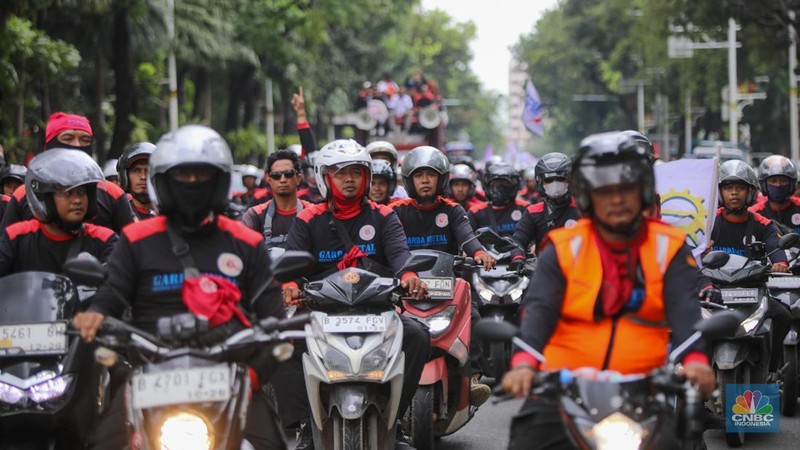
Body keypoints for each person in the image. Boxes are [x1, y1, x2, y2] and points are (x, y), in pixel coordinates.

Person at [72, 125, 288, 450]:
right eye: (182, 177)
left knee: (270, 444)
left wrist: (251, 378)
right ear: (164, 181)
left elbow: (275, 320)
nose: (192, 185)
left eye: (201, 176)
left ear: (218, 181)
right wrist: (96, 314)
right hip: (149, 374)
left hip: (228, 376)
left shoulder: (246, 242)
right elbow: (112, 292)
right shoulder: (136, 240)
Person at [502, 131, 715, 450]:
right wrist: (523, 364)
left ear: (643, 191)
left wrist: (696, 359)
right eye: (605, 191)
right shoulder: (561, 249)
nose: (616, 199)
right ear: (588, 195)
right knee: (524, 440)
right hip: (566, 386)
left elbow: (685, 311)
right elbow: (538, 311)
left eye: (626, 189)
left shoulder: (668, 246)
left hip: (645, 387)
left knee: (685, 439)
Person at [281, 139, 429, 450]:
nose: (349, 180)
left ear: (367, 178)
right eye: (340, 173)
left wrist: (411, 277)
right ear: (325, 178)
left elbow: (401, 257)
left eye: (357, 173)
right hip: (320, 309)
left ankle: (396, 420)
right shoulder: (308, 219)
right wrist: (288, 285)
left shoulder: (384, 216)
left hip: (377, 308)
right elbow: (290, 263)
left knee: (417, 334)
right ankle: (307, 424)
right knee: (283, 341)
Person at [390, 145, 495, 407]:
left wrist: (480, 253)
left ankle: (472, 377)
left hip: (446, 284)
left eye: (431, 174)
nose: (425, 180)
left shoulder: (452, 210)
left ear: (441, 179)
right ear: (409, 180)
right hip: (407, 287)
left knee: (474, 314)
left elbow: (468, 238)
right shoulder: (396, 212)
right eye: (419, 175)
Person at [709, 159, 791, 377]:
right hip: (716, 292)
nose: (734, 193)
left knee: (782, 314)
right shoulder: (709, 223)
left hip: (753, 293)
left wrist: (780, 262)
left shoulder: (763, 224)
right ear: (719, 192)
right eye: (728, 188)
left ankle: (773, 370)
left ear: (751, 192)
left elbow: (775, 248)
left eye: (740, 188)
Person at [1, 112, 135, 232]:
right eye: (68, 138)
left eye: (84, 140)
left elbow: (130, 247)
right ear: (50, 146)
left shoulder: (112, 194)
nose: (77, 145)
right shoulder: (25, 194)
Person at [0, 149, 117, 275]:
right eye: (68, 193)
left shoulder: (105, 239)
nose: (77, 200)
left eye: (82, 192)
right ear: (47, 198)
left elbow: (115, 283)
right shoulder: (17, 236)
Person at [511, 152, 580, 257]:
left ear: (570, 180)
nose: (555, 183)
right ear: (540, 182)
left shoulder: (582, 209)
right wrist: (518, 257)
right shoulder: (533, 212)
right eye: (549, 180)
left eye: (560, 179)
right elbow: (518, 240)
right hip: (544, 269)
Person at [242, 149, 311, 249]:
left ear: (298, 178)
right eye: (276, 175)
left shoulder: (313, 214)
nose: (282, 180)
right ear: (268, 179)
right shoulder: (255, 215)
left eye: (288, 174)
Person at [468, 162, 528, 237]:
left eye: (505, 184)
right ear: (486, 186)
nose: (500, 189)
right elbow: (468, 239)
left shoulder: (526, 209)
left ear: (514, 186)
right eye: (496, 185)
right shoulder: (475, 212)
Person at [750, 155, 800, 234]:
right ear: (763, 184)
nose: (778, 185)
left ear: (792, 183)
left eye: (783, 180)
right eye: (773, 181)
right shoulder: (754, 213)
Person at [117, 142, 157, 221]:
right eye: (136, 171)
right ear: (125, 176)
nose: (143, 177)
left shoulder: (172, 216)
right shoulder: (118, 216)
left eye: (148, 171)